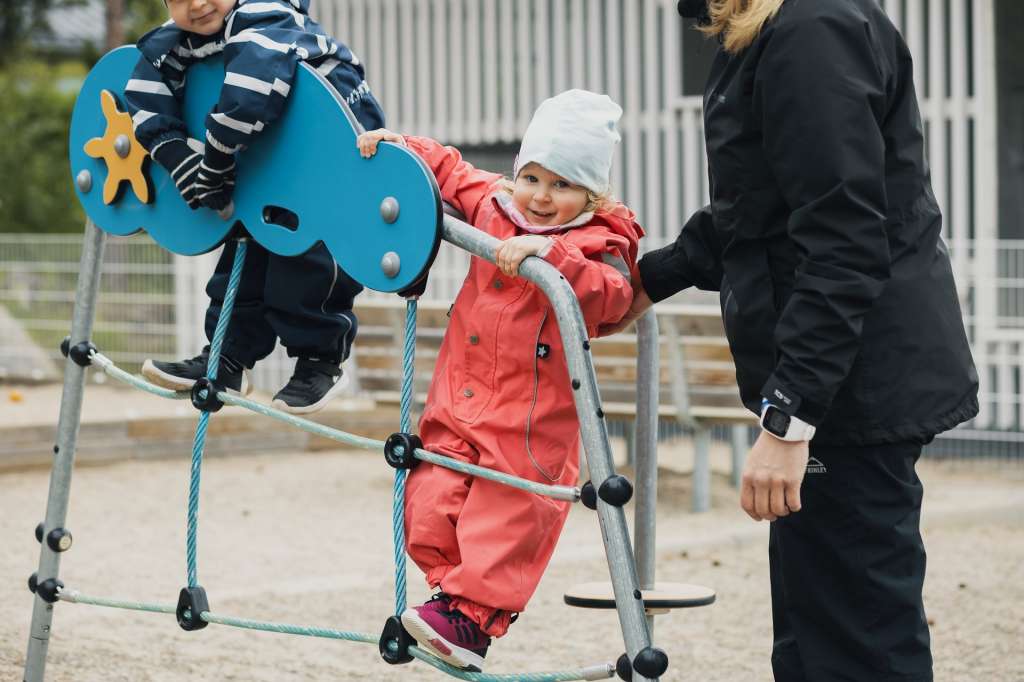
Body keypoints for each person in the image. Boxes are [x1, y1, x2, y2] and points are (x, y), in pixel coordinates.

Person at [606, 1, 979, 681]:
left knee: (856, 643)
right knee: (813, 637)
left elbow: (842, 236)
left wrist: (788, 419)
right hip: (840, 379)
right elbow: (756, 208)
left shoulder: (812, 30)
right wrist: (648, 281)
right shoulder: (767, 32)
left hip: (854, 388)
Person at [357, 89, 643, 671]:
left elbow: (613, 297)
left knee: (506, 517)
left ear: (592, 194)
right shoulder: (495, 205)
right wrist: (400, 147)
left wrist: (552, 257)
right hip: (460, 399)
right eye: (532, 178)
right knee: (430, 500)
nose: (540, 198)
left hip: (530, 423)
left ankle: (473, 618)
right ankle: (450, 605)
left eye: (562, 186)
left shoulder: (599, 241)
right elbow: (449, 169)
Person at [125, 0, 384, 414]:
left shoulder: (264, 14)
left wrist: (215, 158)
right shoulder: (176, 40)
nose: (197, 4)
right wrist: (178, 157)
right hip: (267, 153)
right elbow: (140, 92)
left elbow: (251, 89)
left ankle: (320, 359)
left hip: (333, 145)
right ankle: (227, 357)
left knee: (305, 251)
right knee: (245, 244)